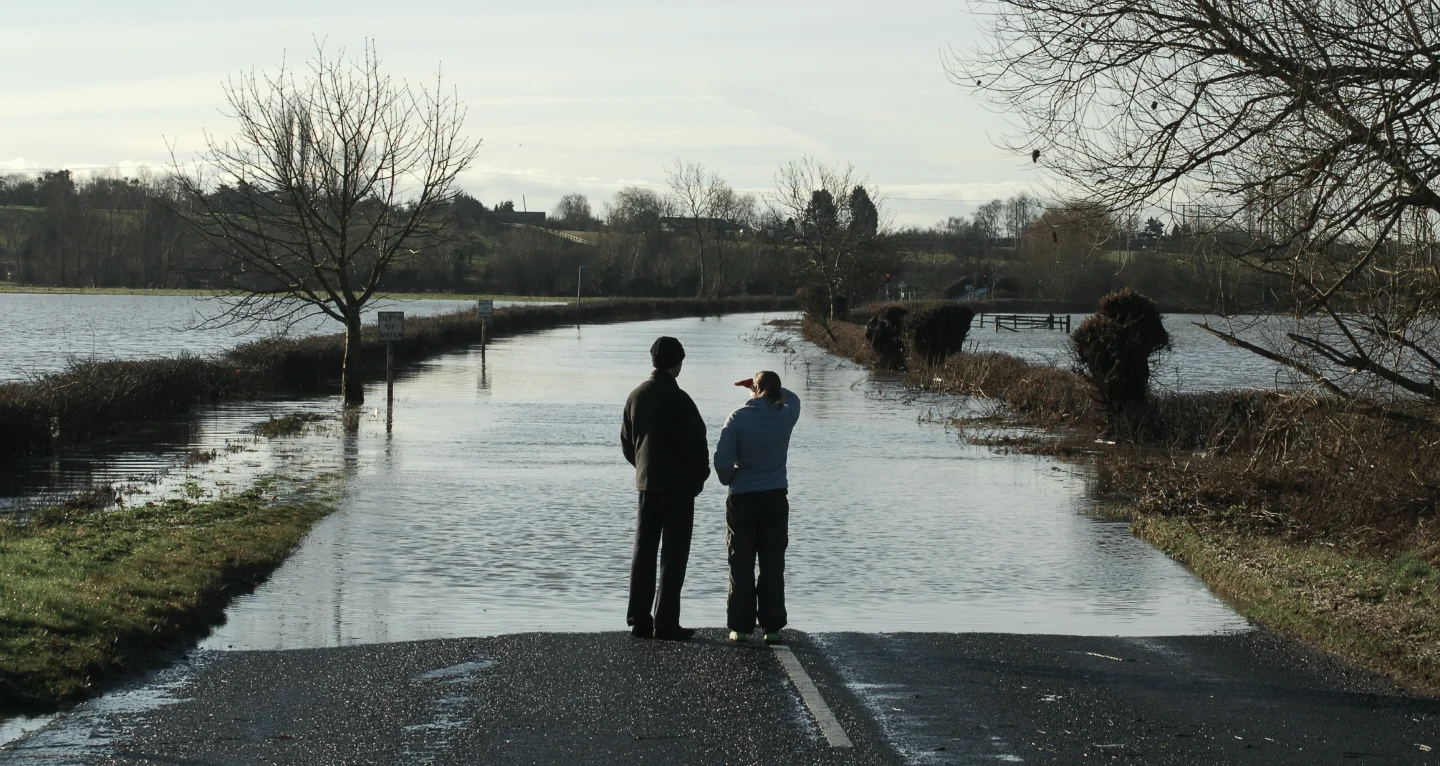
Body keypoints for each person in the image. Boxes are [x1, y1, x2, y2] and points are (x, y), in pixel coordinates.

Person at [620, 336, 710, 641]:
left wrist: (643, 469)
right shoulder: (681, 400)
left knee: (643, 550)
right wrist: (699, 478)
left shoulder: (636, 396)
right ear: (678, 364)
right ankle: (666, 622)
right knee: (673, 554)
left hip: (647, 485)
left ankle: (639, 619)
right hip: (680, 490)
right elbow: (697, 445)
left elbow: (627, 443)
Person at [713, 370, 801, 644]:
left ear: (755, 389)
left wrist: (730, 478)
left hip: (744, 498)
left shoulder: (738, 418)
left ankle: (740, 626)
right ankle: (772, 626)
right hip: (775, 498)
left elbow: (722, 463)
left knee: (741, 562)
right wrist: (769, 389)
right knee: (772, 562)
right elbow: (794, 398)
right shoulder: (785, 416)